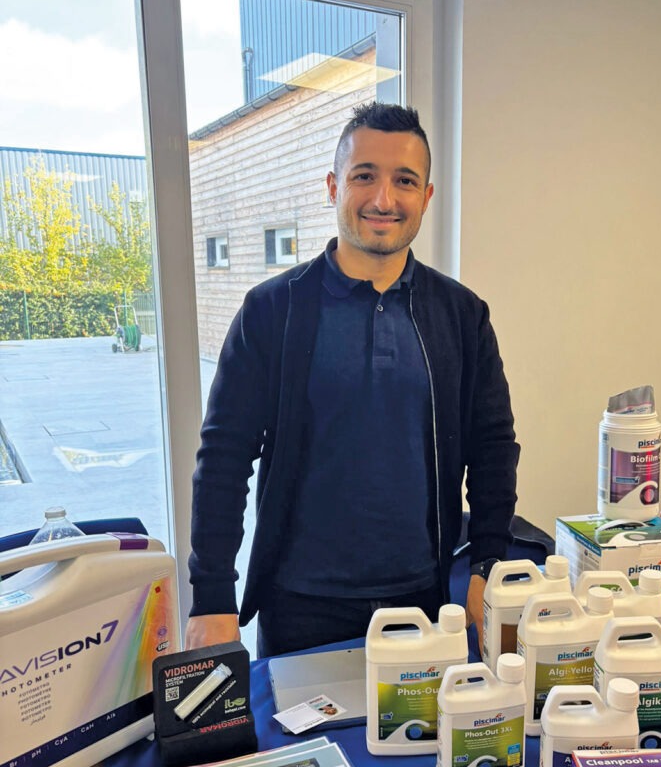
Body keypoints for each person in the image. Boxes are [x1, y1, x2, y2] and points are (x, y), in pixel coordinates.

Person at [186, 101, 519, 656]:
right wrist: (212, 597)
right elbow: (223, 457)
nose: (384, 199)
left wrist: (488, 562)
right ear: (333, 186)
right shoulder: (273, 311)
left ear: (426, 197)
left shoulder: (462, 316)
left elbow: (493, 449)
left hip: (422, 602)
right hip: (298, 608)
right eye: (364, 176)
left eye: (404, 181)